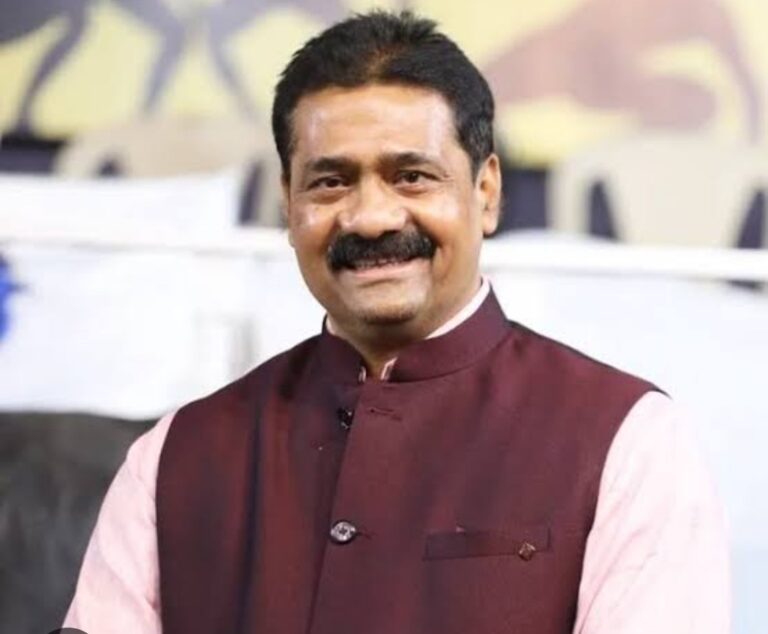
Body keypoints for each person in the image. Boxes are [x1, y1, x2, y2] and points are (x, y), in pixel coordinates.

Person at [64, 10, 729, 634]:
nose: (371, 218)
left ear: (486, 192)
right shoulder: (174, 458)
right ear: (289, 205)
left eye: (411, 176)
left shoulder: (628, 442)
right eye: (330, 182)